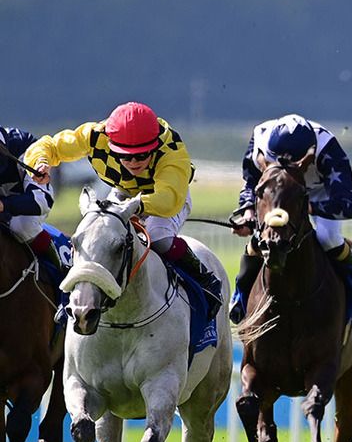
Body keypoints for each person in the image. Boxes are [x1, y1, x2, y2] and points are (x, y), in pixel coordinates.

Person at [25, 102, 223, 318]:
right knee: (95, 236)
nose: (133, 162)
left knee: (158, 238)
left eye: (141, 155)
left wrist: (136, 208)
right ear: (110, 144)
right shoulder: (94, 135)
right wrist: (41, 162)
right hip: (123, 192)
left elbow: (168, 199)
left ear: (155, 145)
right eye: (125, 156)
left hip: (166, 196)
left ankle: (204, 281)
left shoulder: (171, 150)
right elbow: (49, 145)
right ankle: (73, 297)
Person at [228, 113, 352, 333]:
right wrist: (248, 213)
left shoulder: (328, 148)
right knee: (261, 239)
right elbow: (251, 182)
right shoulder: (260, 137)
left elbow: (347, 205)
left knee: (329, 238)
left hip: (319, 195)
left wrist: (306, 208)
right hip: (278, 194)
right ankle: (240, 295)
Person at [0, 124, 61, 272]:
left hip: (25, 209)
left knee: (22, 226)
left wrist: (3, 205)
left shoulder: (22, 145)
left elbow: (42, 202)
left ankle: (62, 270)